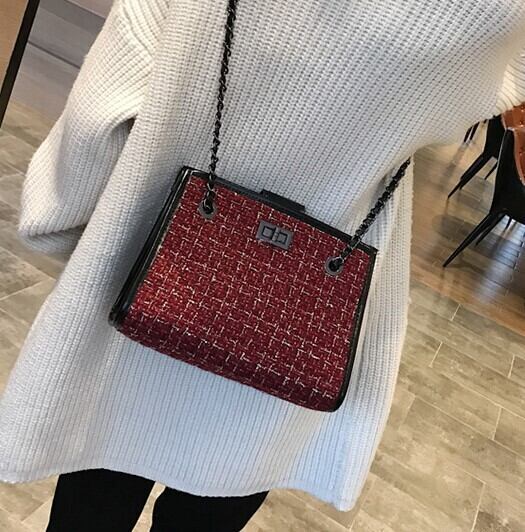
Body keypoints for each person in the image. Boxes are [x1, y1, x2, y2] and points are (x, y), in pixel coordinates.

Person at [0, 1, 524, 530]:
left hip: (145, 269)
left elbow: (95, 118)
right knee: (222, 488)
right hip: (303, 317)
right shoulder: (489, 13)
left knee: (98, 482)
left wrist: (70, 235)